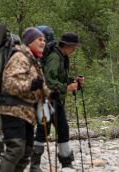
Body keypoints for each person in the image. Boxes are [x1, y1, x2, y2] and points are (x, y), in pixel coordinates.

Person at [0, 27, 51, 172]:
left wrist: (52, 94)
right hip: (12, 110)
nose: (43, 42)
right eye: (39, 39)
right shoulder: (20, 57)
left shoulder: (34, 61)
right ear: (29, 42)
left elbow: (41, 87)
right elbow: (9, 83)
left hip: (27, 113)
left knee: (26, 151)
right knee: (16, 148)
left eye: (44, 40)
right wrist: (30, 85)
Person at [30, 32, 83, 171]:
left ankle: (65, 162)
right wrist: (66, 87)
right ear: (67, 46)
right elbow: (48, 81)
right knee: (44, 130)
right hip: (47, 99)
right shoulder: (54, 57)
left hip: (55, 99)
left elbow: (59, 77)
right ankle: (35, 165)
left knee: (62, 129)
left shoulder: (61, 57)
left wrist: (73, 80)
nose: (74, 49)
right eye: (74, 47)